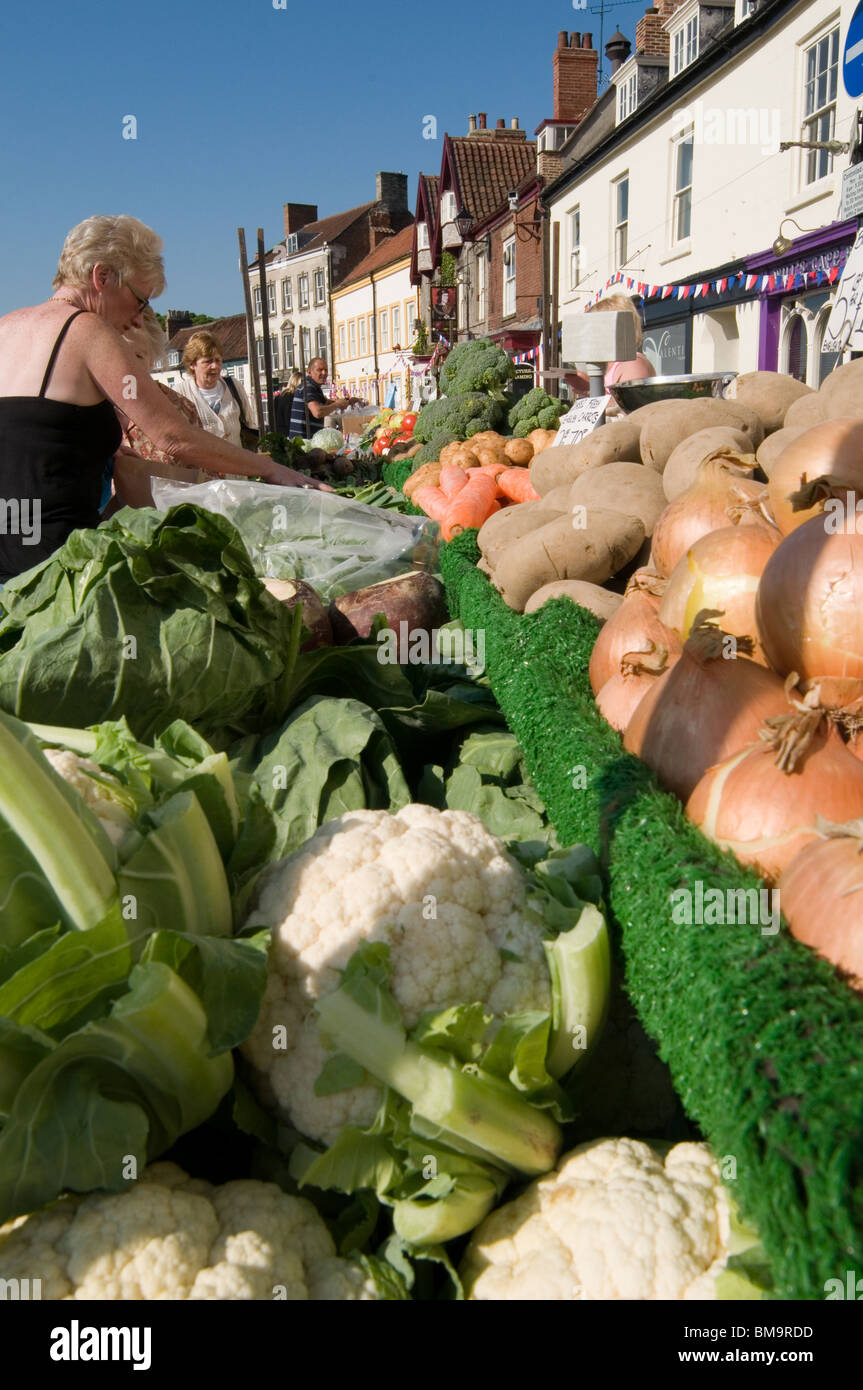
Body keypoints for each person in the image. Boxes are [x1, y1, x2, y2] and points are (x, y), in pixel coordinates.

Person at [0, 214, 327, 583]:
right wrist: (268, 468)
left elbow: (32, 435)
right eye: (140, 300)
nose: (139, 318)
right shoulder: (87, 329)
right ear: (102, 277)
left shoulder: (7, 327)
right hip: (54, 563)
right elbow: (173, 436)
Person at [112, 308, 208, 508]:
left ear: (152, 357)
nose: (126, 366)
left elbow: (204, 479)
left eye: (137, 356)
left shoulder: (180, 409)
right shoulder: (85, 408)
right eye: (118, 354)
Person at [171, 330, 257, 448]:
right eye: (208, 361)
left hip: (236, 464)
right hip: (201, 465)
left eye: (218, 360)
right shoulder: (179, 393)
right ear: (192, 364)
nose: (215, 366)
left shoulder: (234, 387)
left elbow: (250, 424)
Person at [288, 357, 359, 438]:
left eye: (326, 370)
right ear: (309, 372)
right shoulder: (308, 387)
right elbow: (318, 412)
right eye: (319, 370)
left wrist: (348, 402)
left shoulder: (315, 388)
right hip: (302, 442)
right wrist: (336, 405)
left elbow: (328, 403)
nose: (324, 373)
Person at [274, 369, 302, 436]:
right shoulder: (292, 397)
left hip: (278, 432)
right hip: (288, 433)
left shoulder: (280, 396)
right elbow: (289, 418)